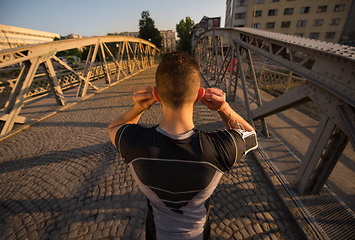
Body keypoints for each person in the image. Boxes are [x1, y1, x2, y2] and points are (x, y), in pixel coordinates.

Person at [108, 52, 258, 240]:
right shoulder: (219, 148)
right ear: (199, 95)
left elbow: (114, 127)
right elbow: (250, 135)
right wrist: (224, 108)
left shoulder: (136, 143)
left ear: (156, 95)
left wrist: (138, 108)